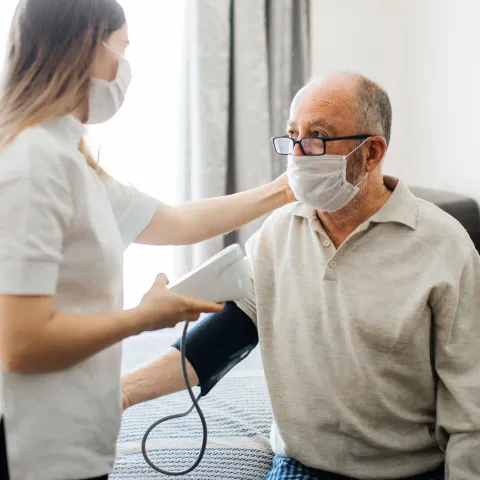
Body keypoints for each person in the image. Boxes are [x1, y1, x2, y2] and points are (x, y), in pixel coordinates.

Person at [122, 73, 480, 480]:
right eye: (292, 135)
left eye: (317, 137)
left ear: (372, 152)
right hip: (303, 466)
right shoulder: (278, 232)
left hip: (409, 470)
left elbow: (470, 397)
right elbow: (222, 336)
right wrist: (124, 391)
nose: (296, 154)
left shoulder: (443, 245)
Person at [0, 1, 294, 479]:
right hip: (34, 445)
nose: (124, 69)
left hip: (72, 435)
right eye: (122, 49)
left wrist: (284, 189)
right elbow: (21, 342)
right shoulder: (33, 163)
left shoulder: (68, 159)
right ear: (86, 46)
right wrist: (142, 318)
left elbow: (177, 222)